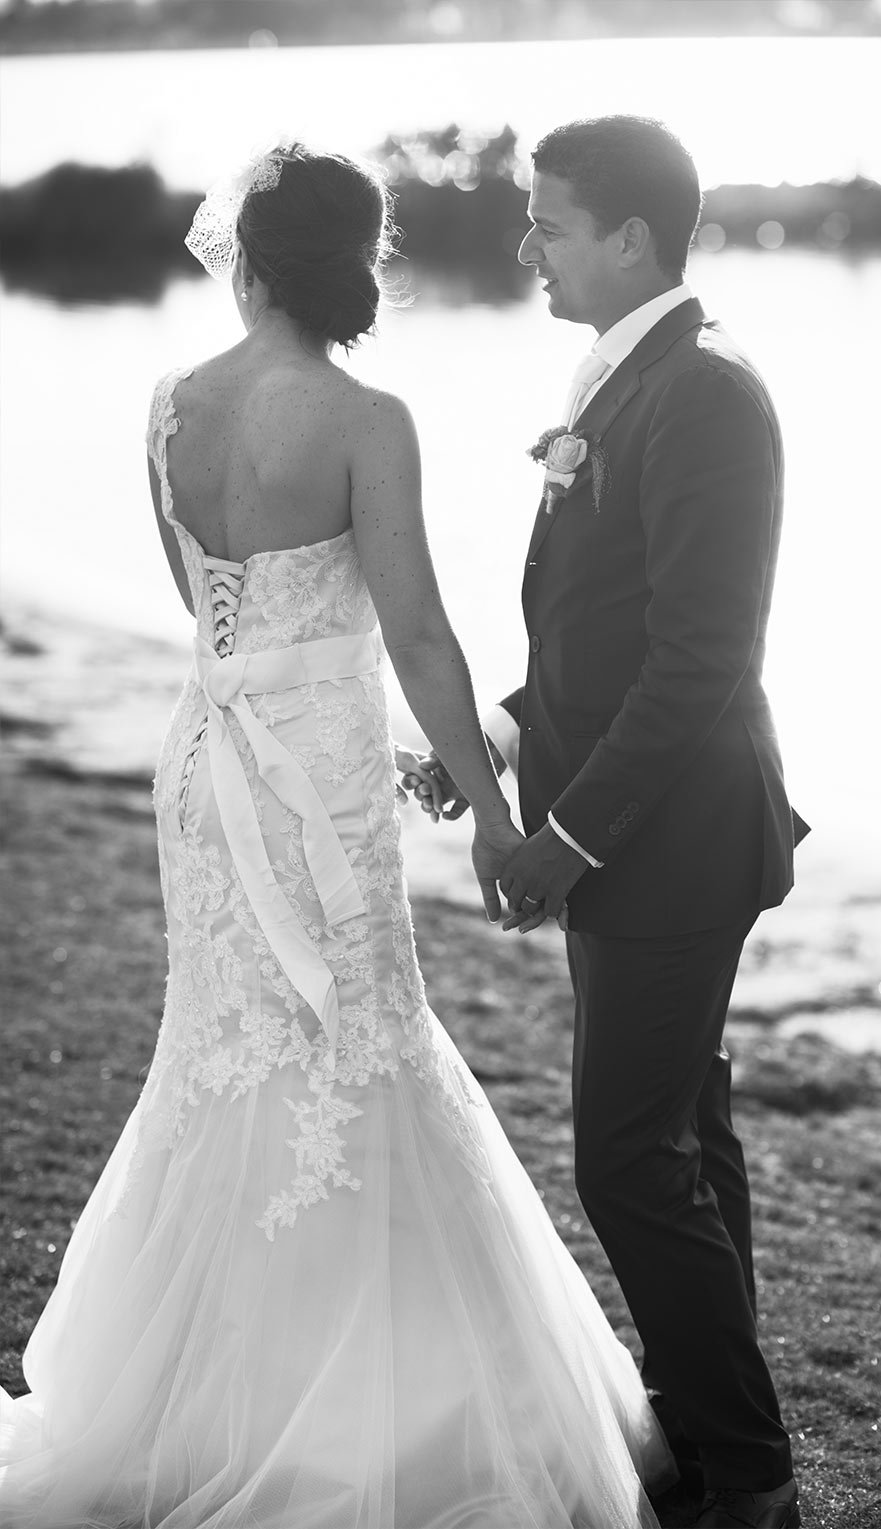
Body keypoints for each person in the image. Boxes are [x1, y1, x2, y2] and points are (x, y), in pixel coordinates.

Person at [0, 144, 670, 1527]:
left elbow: (206, 605)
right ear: (355, 266)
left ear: (245, 256)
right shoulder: (369, 418)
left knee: (222, 1038)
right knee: (356, 1039)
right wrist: (496, 817)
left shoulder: (167, 405)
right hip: (316, 764)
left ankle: (194, 1392)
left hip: (206, 757)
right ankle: (362, 1395)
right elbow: (417, 636)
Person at [410, 116, 806, 1529]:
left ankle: (748, 1479)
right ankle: (714, 1434)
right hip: (640, 821)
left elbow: (703, 662)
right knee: (683, 1138)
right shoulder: (626, 381)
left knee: (626, 1159)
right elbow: (602, 633)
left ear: (632, 238)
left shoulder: (703, 395)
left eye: (550, 225)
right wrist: (504, 737)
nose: (526, 248)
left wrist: (559, 836)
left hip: (678, 836)